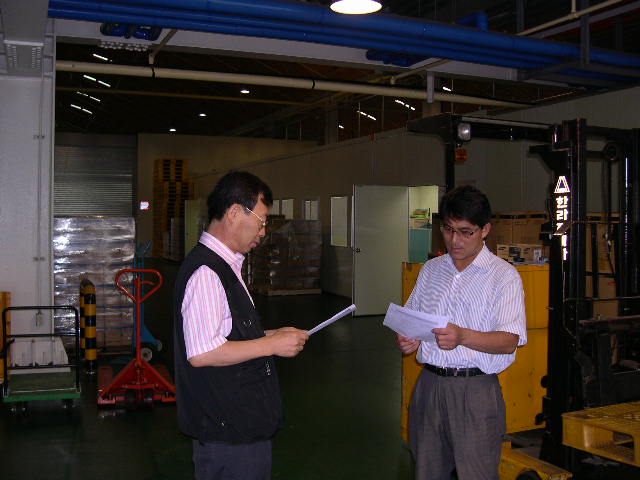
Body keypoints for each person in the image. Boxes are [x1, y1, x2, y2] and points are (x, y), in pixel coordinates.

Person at [174, 171, 309, 480]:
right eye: (261, 221)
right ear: (235, 212)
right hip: (228, 431)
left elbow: (223, 333)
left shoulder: (226, 265)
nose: (263, 231)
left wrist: (272, 335)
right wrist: (270, 345)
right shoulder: (207, 272)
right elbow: (203, 352)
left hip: (240, 423)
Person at [397, 185, 527, 480]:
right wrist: (408, 338)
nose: (454, 240)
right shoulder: (431, 270)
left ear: (485, 230)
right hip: (429, 386)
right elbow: (411, 318)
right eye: (448, 229)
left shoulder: (503, 277)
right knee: (427, 471)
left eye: (466, 232)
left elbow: (509, 341)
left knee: (476, 473)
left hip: (475, 390)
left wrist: (463, 336)